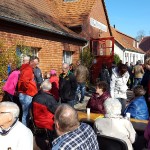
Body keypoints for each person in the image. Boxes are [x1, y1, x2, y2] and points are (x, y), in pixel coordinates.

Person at [32, 79, 58, 148]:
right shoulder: (49, 98)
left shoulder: (35, 96)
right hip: (47, 123)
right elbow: (57, 111)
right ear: (50, 88)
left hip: (36, 121)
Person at [18, 56, 38, 126]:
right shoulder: (28, 69)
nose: (36, 65)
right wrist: (26, 89)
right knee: (25, 114)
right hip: (26, 95)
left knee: (26, 113)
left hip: (26, 94)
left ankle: (25, 127)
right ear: (31, 62)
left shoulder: (27, 68)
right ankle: (24, 130)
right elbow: (24, 81)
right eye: (36, 63)